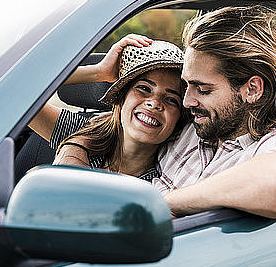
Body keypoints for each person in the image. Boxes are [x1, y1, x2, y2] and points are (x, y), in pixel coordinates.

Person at [58, 6, 276, 219]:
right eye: (187, 86)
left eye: (202, 89)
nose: (187, 101)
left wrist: (161, 204)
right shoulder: (192, 128)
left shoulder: (274, 146)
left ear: (251, 89)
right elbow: (102, 130)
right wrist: (96, 73)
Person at [28, 35, 188, 181]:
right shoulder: (84, 130)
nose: (154, 103)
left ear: (178, 117)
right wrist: (98, 73)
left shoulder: (166, 180)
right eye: (144, 89)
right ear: (121, 97)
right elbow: (17, 89)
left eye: (171, 99)